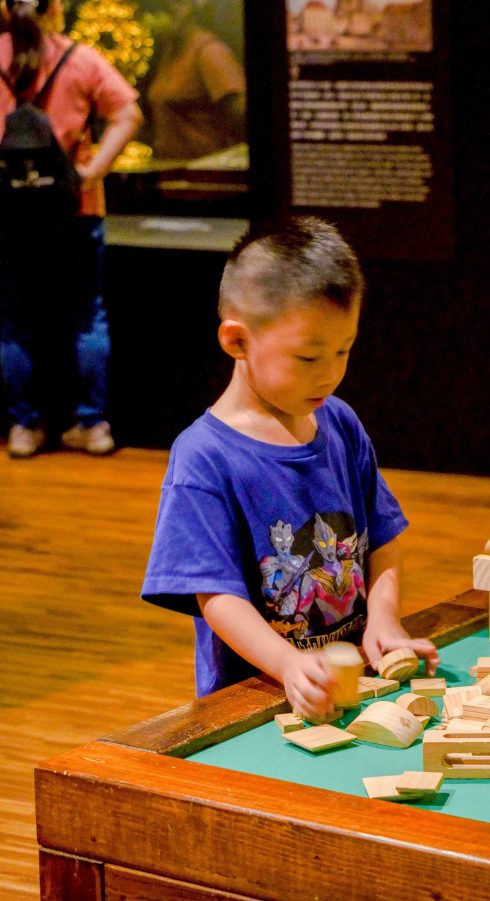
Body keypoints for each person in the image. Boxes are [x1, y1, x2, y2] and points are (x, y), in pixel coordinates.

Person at [141, 217, 439, 721]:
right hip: (256, 702)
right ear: (237, 342)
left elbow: (384, 538)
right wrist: (288, 663)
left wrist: (384, 620)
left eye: (344, 350)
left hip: (351, 691)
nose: (331, 373)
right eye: (308, 356)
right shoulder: (203, 457)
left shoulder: (339, 422)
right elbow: (216, 594)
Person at [0, 0, 142, 458]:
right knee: (87, 317)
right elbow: (128, 114)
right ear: (55, 7)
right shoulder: (79, 58)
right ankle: (93, 425)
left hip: (9, 214)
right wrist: (91, 172)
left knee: (14, 324)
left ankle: (22, 429)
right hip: (75, 211)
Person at [145, 0, 245, 161]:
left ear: (182, 10)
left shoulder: (209, 52)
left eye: (159, 14)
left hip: (207, 175)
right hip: (174, 176)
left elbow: (242, 115)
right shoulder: (169, 53)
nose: (152, 23)